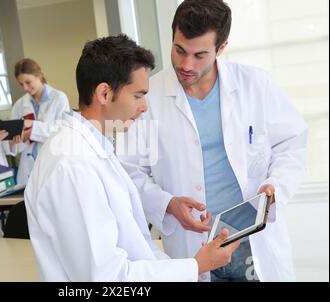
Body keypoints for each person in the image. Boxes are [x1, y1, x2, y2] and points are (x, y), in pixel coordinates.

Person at [118, 0, 308, 282]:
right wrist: (168, 203)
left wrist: (276, 185)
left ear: (221, 48)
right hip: (192, 248)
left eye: (199, 55)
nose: (186, 64)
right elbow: (128, 171)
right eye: (179, 50)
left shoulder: (256, 85)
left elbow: (291, 144)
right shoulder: (146, 97)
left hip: (252, 242)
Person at [24, 35, 241, 282]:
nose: (145, 107)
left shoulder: (93, 149)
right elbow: (106, 278)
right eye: (138, 95)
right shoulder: (73, 166)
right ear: (104, 93)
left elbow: (137, 251)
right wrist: (196, 266)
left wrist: (192, 266)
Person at [11, 59, 70, 185]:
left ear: (38, 76)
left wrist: (32, 128)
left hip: (52, 164)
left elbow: (61, 131)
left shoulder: (59, 98)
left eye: (28, 82)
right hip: (28, 169)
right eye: (21, 84)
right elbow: (16, 146)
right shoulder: (19, 105)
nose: (25, 88)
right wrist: (16, 139)